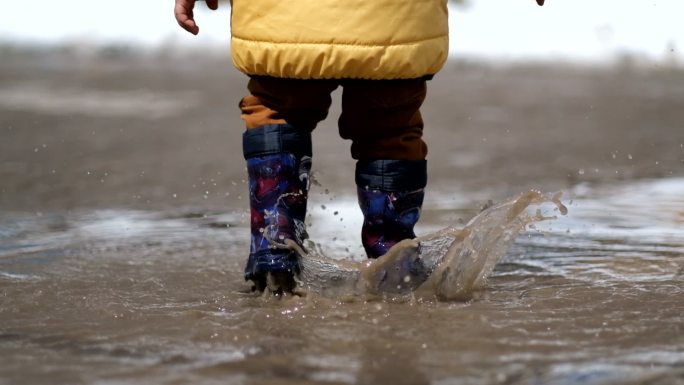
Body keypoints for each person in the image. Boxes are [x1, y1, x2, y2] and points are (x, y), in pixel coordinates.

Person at [174, 0, 545, 293]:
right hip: (394, 17)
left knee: (276, 110)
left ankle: (275, 243)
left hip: (285, 16)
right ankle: (393, 259)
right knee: (390, 126)